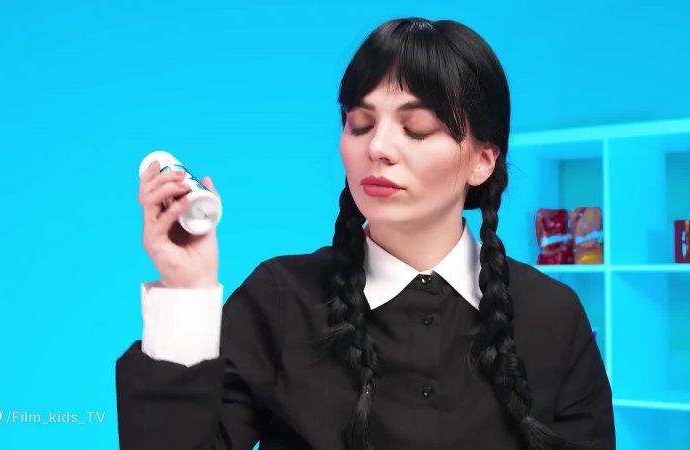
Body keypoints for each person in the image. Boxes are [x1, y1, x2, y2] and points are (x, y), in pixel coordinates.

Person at [116, 17, 615, 450]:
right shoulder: (280, 298)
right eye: (359, 124)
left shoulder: (553, 316)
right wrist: (186, 291)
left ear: (483, 160)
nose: (378, 147)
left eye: (416, 128)